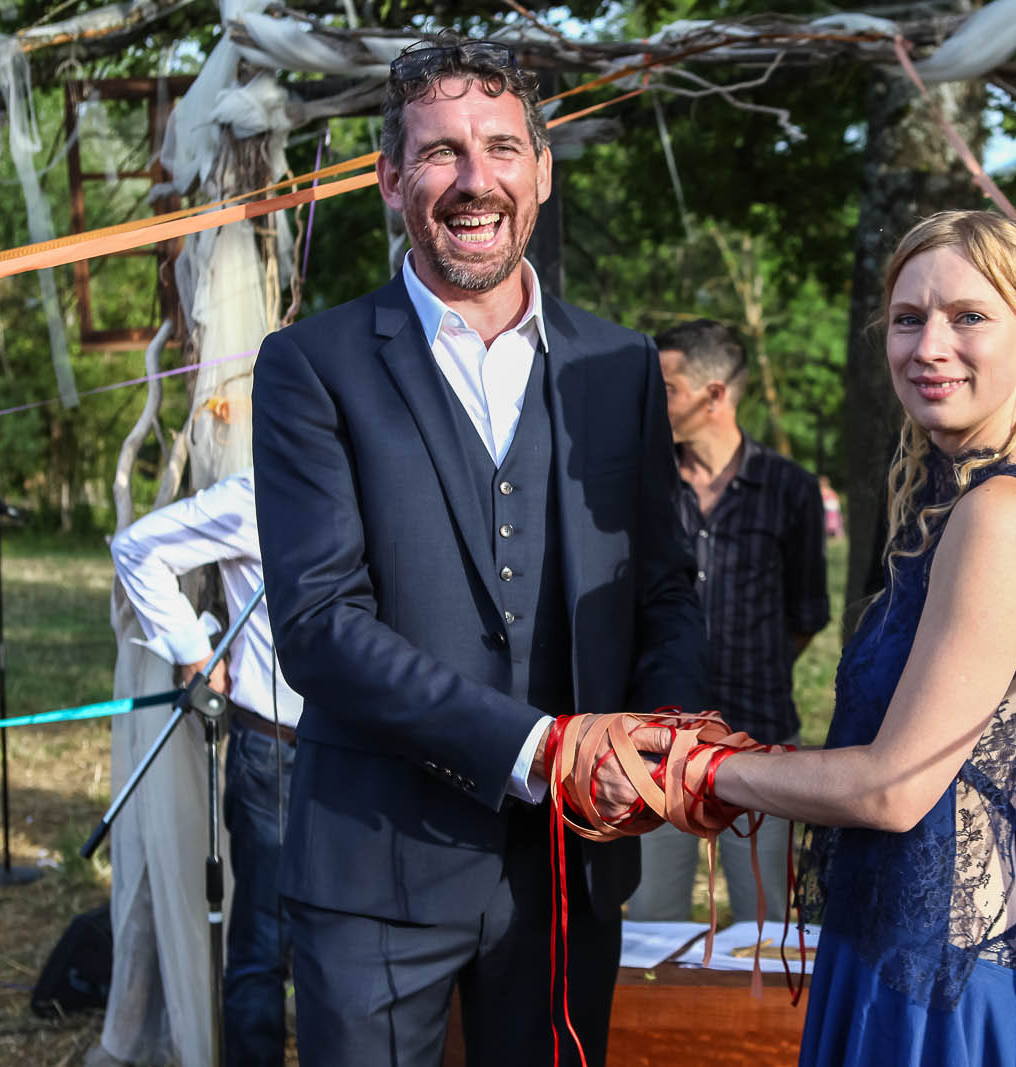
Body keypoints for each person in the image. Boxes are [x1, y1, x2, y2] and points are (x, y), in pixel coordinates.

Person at [250, 34, 705, 1067]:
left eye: (501, 147)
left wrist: (653, 739)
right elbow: (319, 624)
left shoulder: (620, 363)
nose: (474, 179)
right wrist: (541, 748)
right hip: (374, 863)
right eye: (439, 152)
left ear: (540, 171)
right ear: (389, 178)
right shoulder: (310, 366)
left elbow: (665, 590)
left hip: (572, 868)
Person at [673, 211, 1016, 1063]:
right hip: (893, 955)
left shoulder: (1004, 514)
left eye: (968, 316)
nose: (929, 347)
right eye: (909, 319)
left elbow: (896, 786)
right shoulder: (956, 505)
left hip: (942, 989)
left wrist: (697, 767)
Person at [626, 319, 829, 925]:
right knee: (650, 921)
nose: (652, 402)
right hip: (658, 740)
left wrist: (748, 669)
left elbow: (806, 612)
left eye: (667, 389)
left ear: (714, 394)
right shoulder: (642, 487)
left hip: (758, 736)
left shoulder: (789, 489)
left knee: (764, 926)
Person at [109, 468, 301, 1066]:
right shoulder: (259, 491)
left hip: (372, 757)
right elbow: (137, 548)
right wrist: (194, 651)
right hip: (276, 750)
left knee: (348, 947)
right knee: (261, 949)